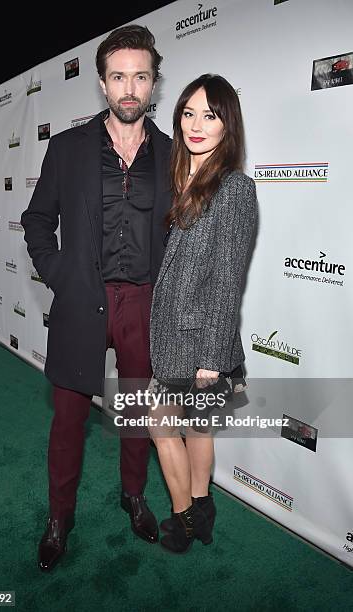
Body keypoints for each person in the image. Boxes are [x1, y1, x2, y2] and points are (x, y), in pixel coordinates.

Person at [20, 25, 172, 572]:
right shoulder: (68, 148)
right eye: (118, 77)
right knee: (67, 421)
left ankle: (134, 496)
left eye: (140, 76)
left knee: (136, 415)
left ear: (154, 84)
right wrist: (62, 275)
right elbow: (37, 219)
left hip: (147, 305)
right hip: (82, 301)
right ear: (103, 84)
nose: (129, 88)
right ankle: (60, 518)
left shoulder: (175, 155)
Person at [148, 74, 257, 553]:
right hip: (172, 334)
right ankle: (197, 509)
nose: (196, 125)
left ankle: (186, 517)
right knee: (189, 427)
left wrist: (212, 359)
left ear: (226, 125)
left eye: (209, 115)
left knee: (176, 425)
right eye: (188, 113)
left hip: (200, 342)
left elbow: (228, 279)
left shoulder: (234, 188)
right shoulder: (178, 178)